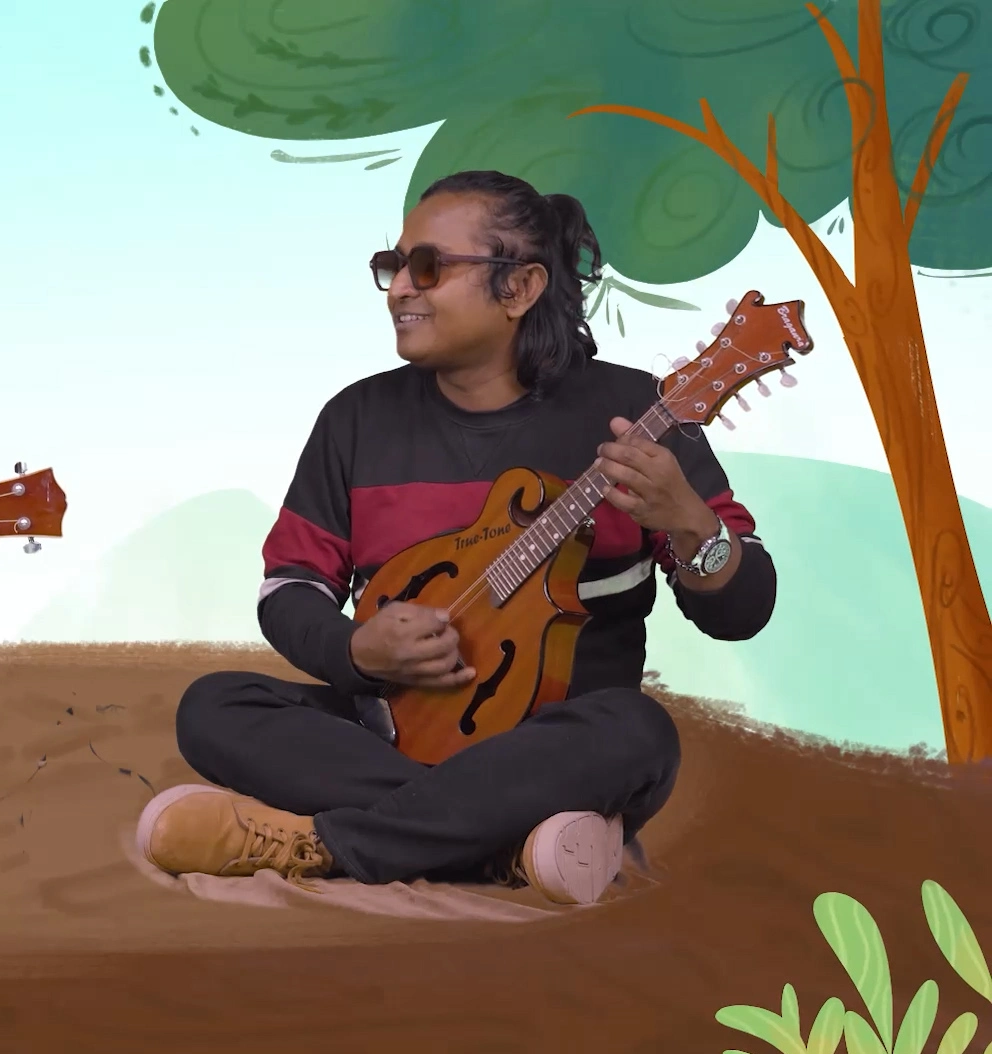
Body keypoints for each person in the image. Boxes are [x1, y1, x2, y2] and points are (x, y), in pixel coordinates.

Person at [136, 170, 777, 905]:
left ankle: (327, 846)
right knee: (215, 706)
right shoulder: (355, 419)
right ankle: (501, 845)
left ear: (520, 287)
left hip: (554, 746)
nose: (400, 289)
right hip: (386, 729)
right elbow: (291, 587)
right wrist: (356, 650)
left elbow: (743, 610)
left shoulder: (636, 413)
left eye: (428, 266)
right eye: (393, 265)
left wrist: (691, 523)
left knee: (638, 732)